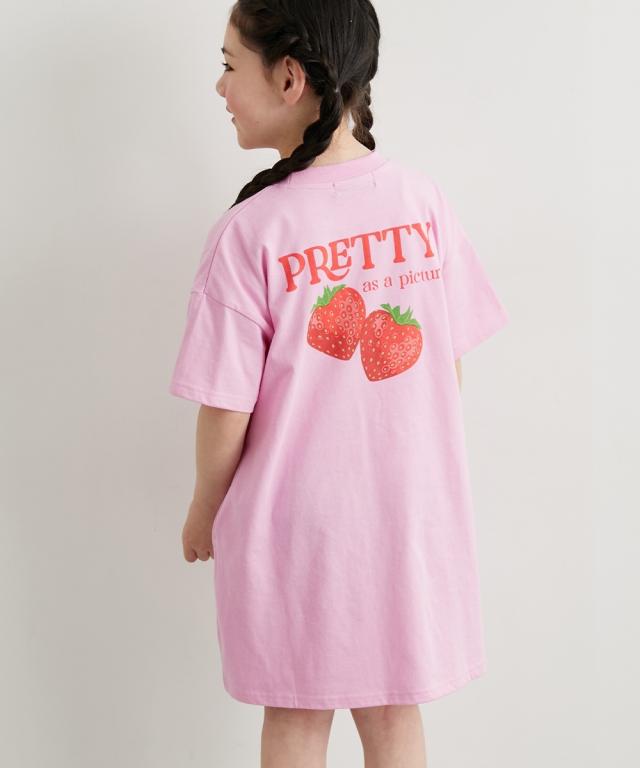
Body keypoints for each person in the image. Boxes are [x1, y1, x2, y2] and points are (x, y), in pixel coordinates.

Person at [168, 2, 510, 766]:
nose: (220, 88)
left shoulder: (250, 231)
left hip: (295, 533)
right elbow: (444, 367)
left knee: (296, 716)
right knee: (394, 714)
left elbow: (226, 408)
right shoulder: (421, 202)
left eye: (229, 66)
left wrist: (204, 509)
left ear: (289, 77)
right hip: (408, 519)